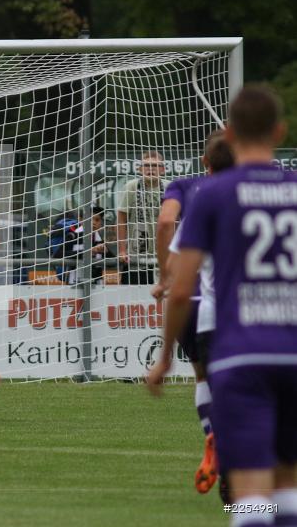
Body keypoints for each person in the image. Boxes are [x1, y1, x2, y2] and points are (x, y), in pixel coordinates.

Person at [147, 86, 297, 527]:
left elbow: (179, 289)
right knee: (288, 486)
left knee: (249, 492)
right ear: (280, 131)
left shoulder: (211, 194)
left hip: (240, 353)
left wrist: (165, 357)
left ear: (229, 134)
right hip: (293, 352)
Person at [150, 130, 234, 497]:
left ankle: (213, 434)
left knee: (204, 380)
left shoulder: (190, 190)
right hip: (266, 324)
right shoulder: (265, 194)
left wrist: (164, 274)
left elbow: (166, 222)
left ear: (205, 161)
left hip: (203, 310)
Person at [117, 150, 168, 284]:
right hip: (136, 257)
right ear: (140, 169)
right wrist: (122, 250)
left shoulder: (170, 187)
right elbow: (121, 218)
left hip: (164, 257)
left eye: (155, 166)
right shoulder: (131, 187)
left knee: (164, 302)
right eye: (146, 165)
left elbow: (179, 220)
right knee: (133, 302)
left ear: (162, 170)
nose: (150, 169)